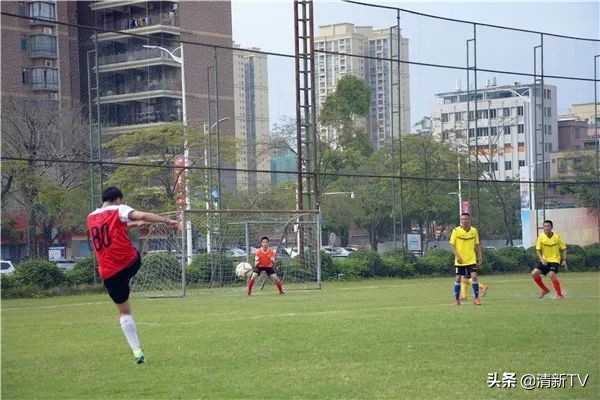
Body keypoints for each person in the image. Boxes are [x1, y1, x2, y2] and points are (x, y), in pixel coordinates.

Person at [87, 186, 179, 364]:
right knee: (135, 256)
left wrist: (134, 225)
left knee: (124, 312)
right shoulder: (120, 209)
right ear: (119, 199)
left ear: (103, 200)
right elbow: (143, 215)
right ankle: (137, 353)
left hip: (108, 272)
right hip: (129, 262)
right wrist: (169, 221)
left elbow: (115, 227)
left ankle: (136, 351)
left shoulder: (91, 217)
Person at [449, 213, 483, 305]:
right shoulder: (456, 231)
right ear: (461, 220)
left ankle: (476, 299)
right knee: (458, 279)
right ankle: (457, 300)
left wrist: (480, 255)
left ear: (469, 220)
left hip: (471, 259)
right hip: (460, 260)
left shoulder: (474, 231)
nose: (464, 221)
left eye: (466, 219)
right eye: (462, 219)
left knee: (474, 276)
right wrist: (457, 256)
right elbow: (452, 245)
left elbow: (477, 244)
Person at [532, 220, 567, 299]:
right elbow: (538, 250)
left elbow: (564, 249)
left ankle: (559, 295)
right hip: (544, 260)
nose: (546, 228)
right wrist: (542, 260)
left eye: (548, 226)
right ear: (543, 228)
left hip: (554, 260)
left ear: (551, 227)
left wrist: (564, 259)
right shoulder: (541, 237)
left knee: (551, 275)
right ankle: (545, 290)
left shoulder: (557, 237)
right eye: (545, 226)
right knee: (534, 273)